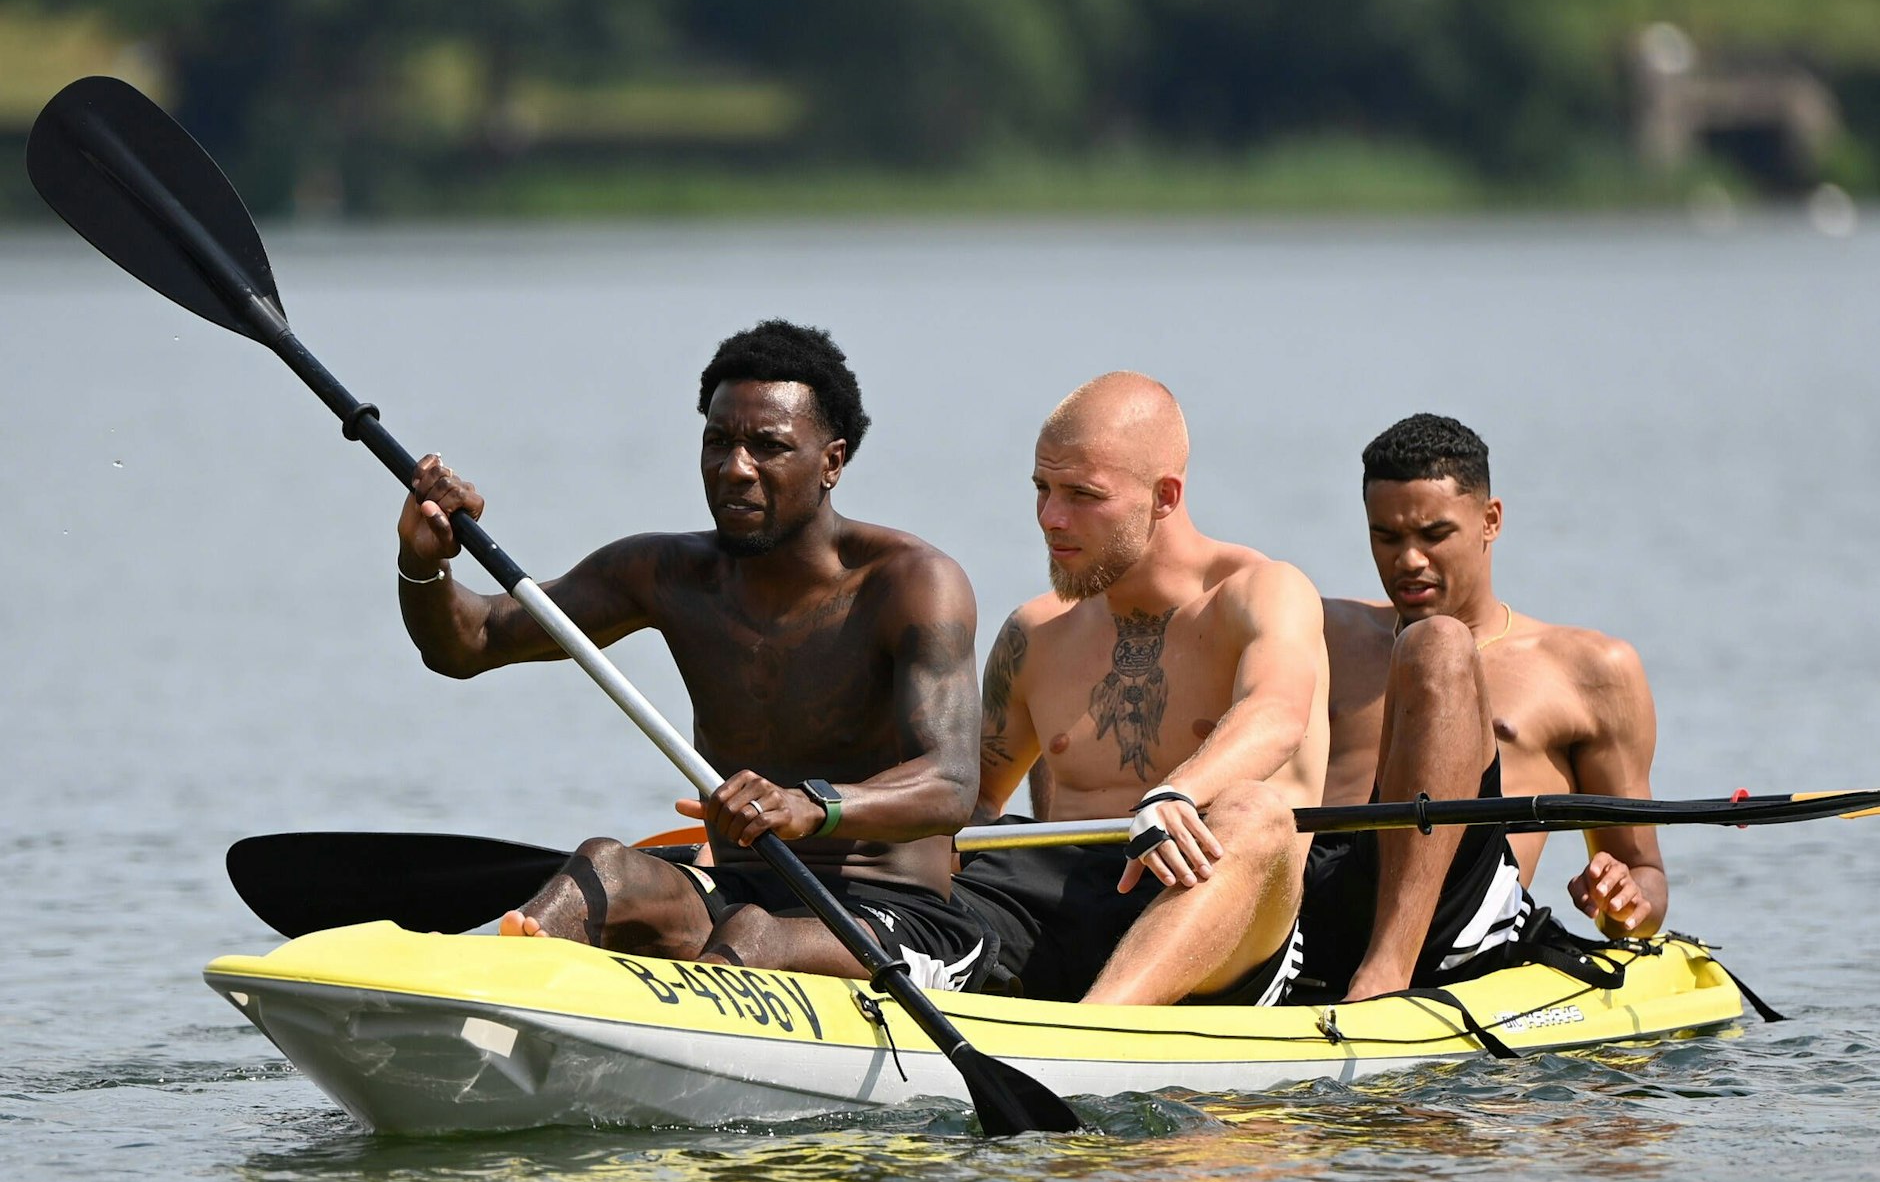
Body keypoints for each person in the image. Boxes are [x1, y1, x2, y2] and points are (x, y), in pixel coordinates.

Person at [394, 319, 991, 987]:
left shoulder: (911, 583)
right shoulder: (666, 572)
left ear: (832, 461)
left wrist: (810, 806)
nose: (735, 469)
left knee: (755, 936)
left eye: (768, 446)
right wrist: (424, 563)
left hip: (896, 921)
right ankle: (491, 995)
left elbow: (951, 785)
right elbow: (468, 643)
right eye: (718, 442)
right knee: (606, 869)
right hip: (738, 900)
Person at [954, 373, 1329, 1005]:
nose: (1051, 517)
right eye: (1042, 489)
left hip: (1223, 924)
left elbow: (1278, 712)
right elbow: (971, 804)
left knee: (1255, 811)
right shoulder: (1034, 633)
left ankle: (1090, 1038)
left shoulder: (1261, 592)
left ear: (1164, 496)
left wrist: (1176, 792)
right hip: (1058, 912)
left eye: (1083, 495)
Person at [1314, 412, 1667, 998]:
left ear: (1490, 521)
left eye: (1433, 535)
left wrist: (1624, 901)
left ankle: (1384, 976)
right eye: (1387, 537)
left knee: (1437, 646)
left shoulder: (1589, 671)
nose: (1408, 560)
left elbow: (1644, 871)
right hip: (1320, 899)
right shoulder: (1324, 633)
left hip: (1459, 920)